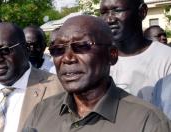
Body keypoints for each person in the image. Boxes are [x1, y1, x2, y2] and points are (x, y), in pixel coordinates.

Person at [23, 15, 171, 132]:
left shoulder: (148, 122)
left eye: (81, 46)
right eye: (58, 50)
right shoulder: (41, 112)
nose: (67, 58)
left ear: (112, 55)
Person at [99, 0, 171, 101]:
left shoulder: (167, 58)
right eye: (103, 12)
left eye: (117, 10)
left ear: (142, 12)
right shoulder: (97, 60)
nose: (109, 19)